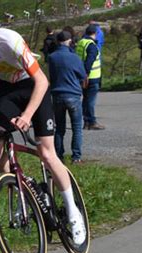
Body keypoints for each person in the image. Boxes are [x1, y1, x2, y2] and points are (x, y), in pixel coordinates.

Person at [0, 9, 86, 244]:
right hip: (9, 91)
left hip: (34, 87)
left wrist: (26, 116)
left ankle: (73, 212)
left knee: (46, 152)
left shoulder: (9, 40)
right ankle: (25, 189)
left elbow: (42, 81)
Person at [48, 31, 87, 164]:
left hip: (57, 94)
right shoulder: (75, 58)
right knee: (76, 127)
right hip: (73, 95)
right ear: (70, 41)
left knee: (59, 128)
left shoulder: (52, 57)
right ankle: (76, 157)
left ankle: (59, 156)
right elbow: (83, 76)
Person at [76, 24, 104, 130]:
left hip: (82, 75)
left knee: (86, 100)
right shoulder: (91, 45)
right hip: (91, 77)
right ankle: (91, 121)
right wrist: (86, 74)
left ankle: (86, 121)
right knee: (90, 101)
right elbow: (89, 61)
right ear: (95, 34)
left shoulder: (81, 42)